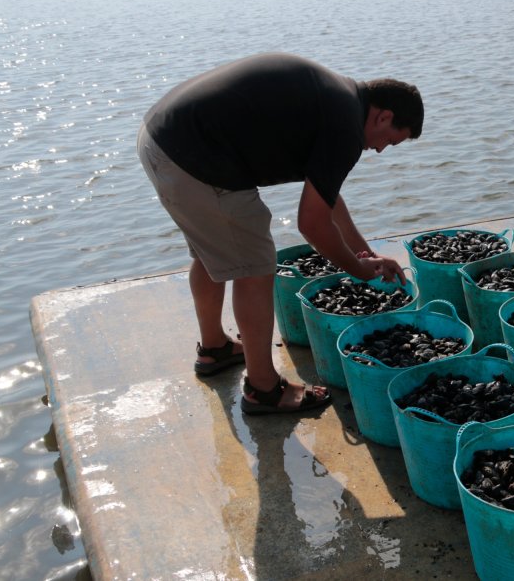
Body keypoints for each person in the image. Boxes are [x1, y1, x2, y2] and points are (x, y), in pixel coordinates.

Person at [138, 53, 423, 415]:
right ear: (383, 116)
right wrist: (358, 269)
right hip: (196, 157)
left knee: (210, 254)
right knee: (256, 268)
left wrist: (367, 255)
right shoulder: (346, 126)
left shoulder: (337, 98)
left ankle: (215, 348)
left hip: (162, 138)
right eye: (389, 140)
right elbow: (313, 223)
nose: (380, 149)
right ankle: (263, 388)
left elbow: (329, 201)